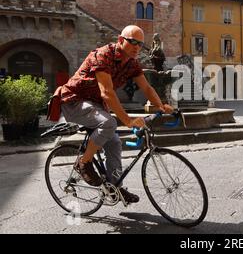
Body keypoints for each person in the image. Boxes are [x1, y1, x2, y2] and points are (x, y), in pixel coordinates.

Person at [58, 25, 173, 203]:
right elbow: (107, 93)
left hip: (95, 105)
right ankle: (83, 163)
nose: (136, 47)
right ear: (121, 40)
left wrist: (161, 106)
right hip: (74, 101)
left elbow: (147, 87)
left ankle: (114, 188)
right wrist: (127, 120)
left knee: (114, 144)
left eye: (140, 44)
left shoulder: (132, 63)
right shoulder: (104, 54)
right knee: (109, 123)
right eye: (132, 42)